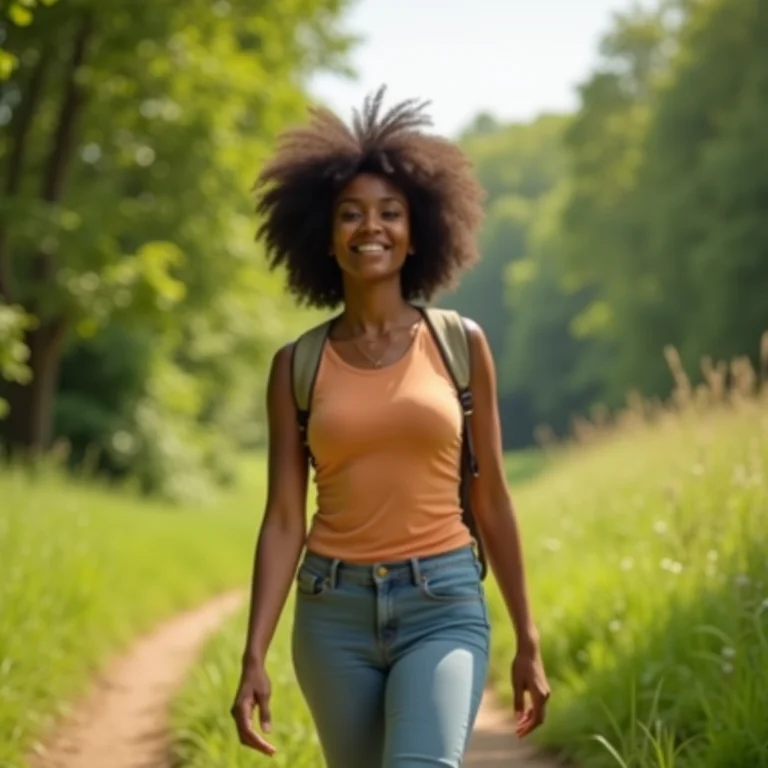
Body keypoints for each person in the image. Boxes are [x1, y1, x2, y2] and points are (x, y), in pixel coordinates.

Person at [230, 87, 550, 767]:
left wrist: (528, 637)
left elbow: (491, 497)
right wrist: (253, 654)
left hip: (443, 602)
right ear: (324, 233)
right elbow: (284, 518)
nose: (369, 227)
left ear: (416, 231)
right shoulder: (297, 365)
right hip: (332, 614)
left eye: (389, 213)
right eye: (350, 214)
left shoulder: (462, 344)